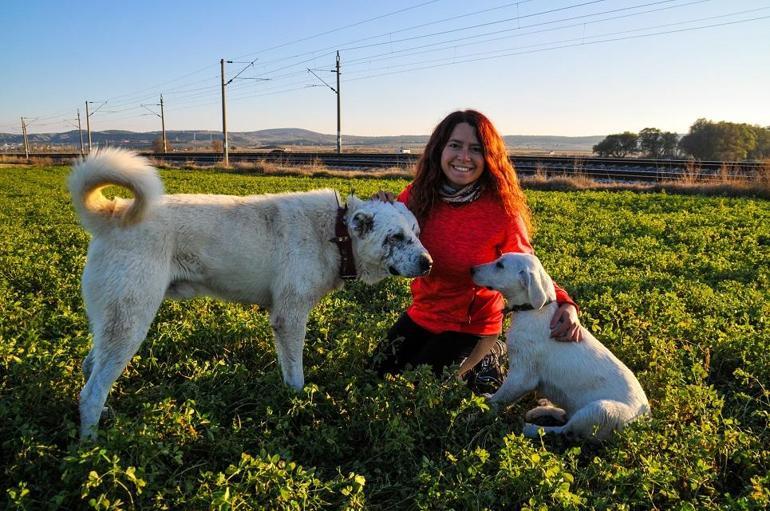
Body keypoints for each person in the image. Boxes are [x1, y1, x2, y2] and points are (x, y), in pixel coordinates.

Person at [370, 109, 582, 393]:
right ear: (439, 150)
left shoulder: (502, 211)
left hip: (472, 325)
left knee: (421, 391)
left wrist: (566, 303)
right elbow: (384, 235)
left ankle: (492, 352)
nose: (464, 157)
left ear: (489, 158)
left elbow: (528, 266)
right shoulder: (416, 197)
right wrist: (377, 208)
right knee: (374, 376)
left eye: (476, 149)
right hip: (423, 313)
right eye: (455, 145)